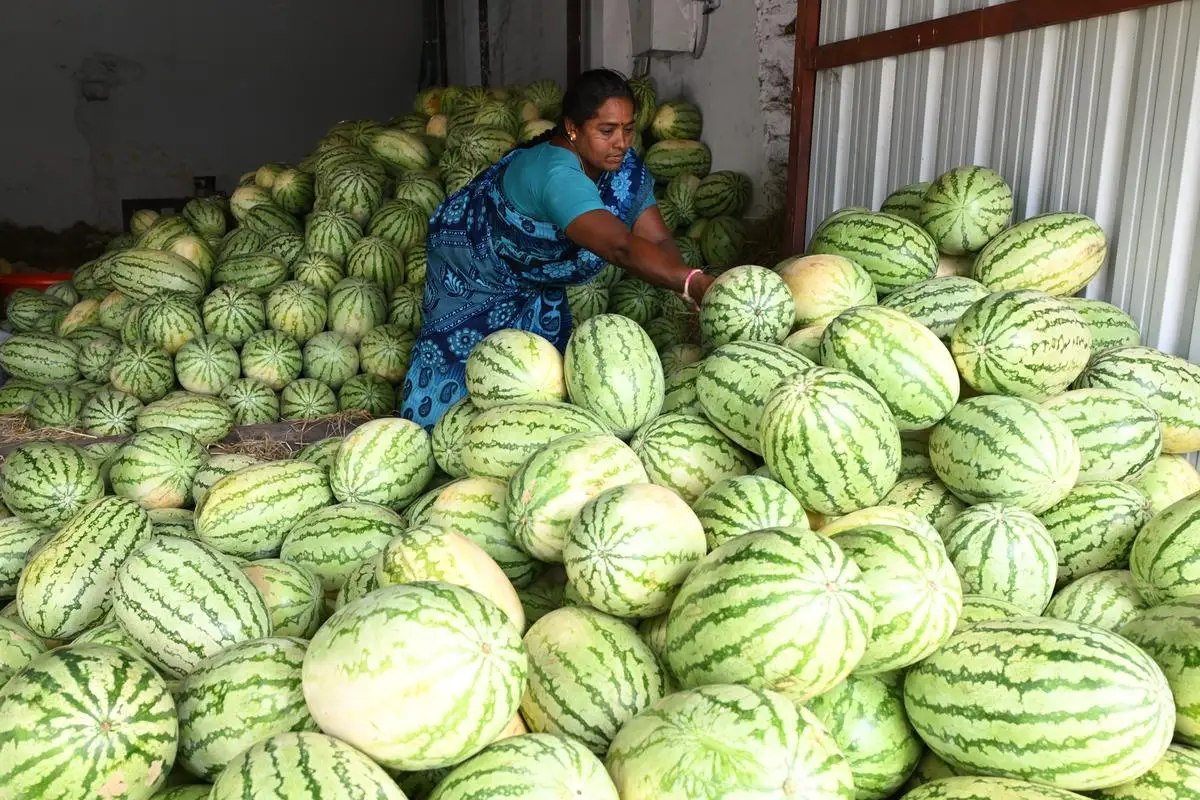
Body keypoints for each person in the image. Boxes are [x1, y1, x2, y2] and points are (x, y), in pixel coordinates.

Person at [400, 69, 713, 431]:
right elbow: (621, 247)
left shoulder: (623, 171)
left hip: (530, 274)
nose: (621, 142)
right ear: (573, 128)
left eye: (628, 129)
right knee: (456, 359)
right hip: (472, 262)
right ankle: (424, 434)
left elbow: (656, 240)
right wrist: (695, 282)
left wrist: (682, 284)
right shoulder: (557, 175)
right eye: (607, 130)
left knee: (536, 378)